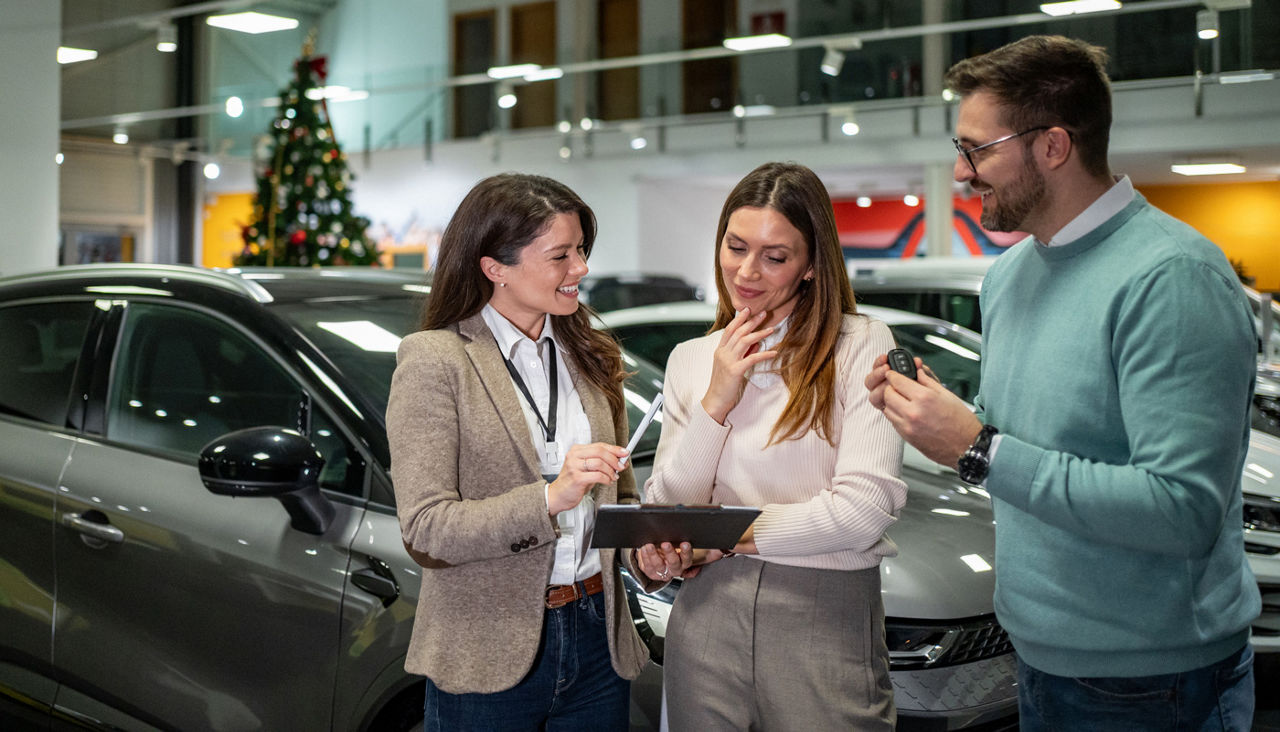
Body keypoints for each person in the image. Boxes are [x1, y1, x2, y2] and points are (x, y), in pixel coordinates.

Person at [865, 35, 1261, 730]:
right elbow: (1029, 443)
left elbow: (1182, 510)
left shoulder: (1172, 279)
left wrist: (980, 446)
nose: (961, 173)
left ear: (1052, 146)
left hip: (1155, 681)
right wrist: (947, 423)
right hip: (1038, 658)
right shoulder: (1013, 275)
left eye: (977, 150)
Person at [386, 173, 689, 731]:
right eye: (561, 255)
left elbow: (614, 498)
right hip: (485, 646)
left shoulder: (591, 355)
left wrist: (641, 556)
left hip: (599, 636)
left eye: (580, 250)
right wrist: (551, 497)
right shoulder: (435, 362)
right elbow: (426, 530)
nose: (581, 269)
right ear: (494, 267)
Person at [645, 161, 907, 730]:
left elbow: (863, 511)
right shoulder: (692, 359)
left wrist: (722, 534)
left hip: (823, 614)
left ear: (812, 265)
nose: (746, 271)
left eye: (775, 256)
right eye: (735, 246)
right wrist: (716, 400)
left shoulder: (859, 344)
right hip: (704, 617)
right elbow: (668, 506)